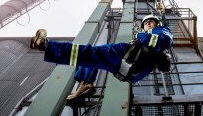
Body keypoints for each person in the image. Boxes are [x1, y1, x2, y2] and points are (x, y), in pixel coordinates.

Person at [30, 14, 173, 83]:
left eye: (151, 21)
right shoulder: (149, 33)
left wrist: (141, 35)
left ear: (158, 23)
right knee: (92, 57)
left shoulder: (162, 30)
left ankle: (46, 45)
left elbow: (160, 42)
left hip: (132, 57)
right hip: (130, 66)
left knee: (90, 53)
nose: (148, 23)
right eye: (145, 22)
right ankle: (86, 83)